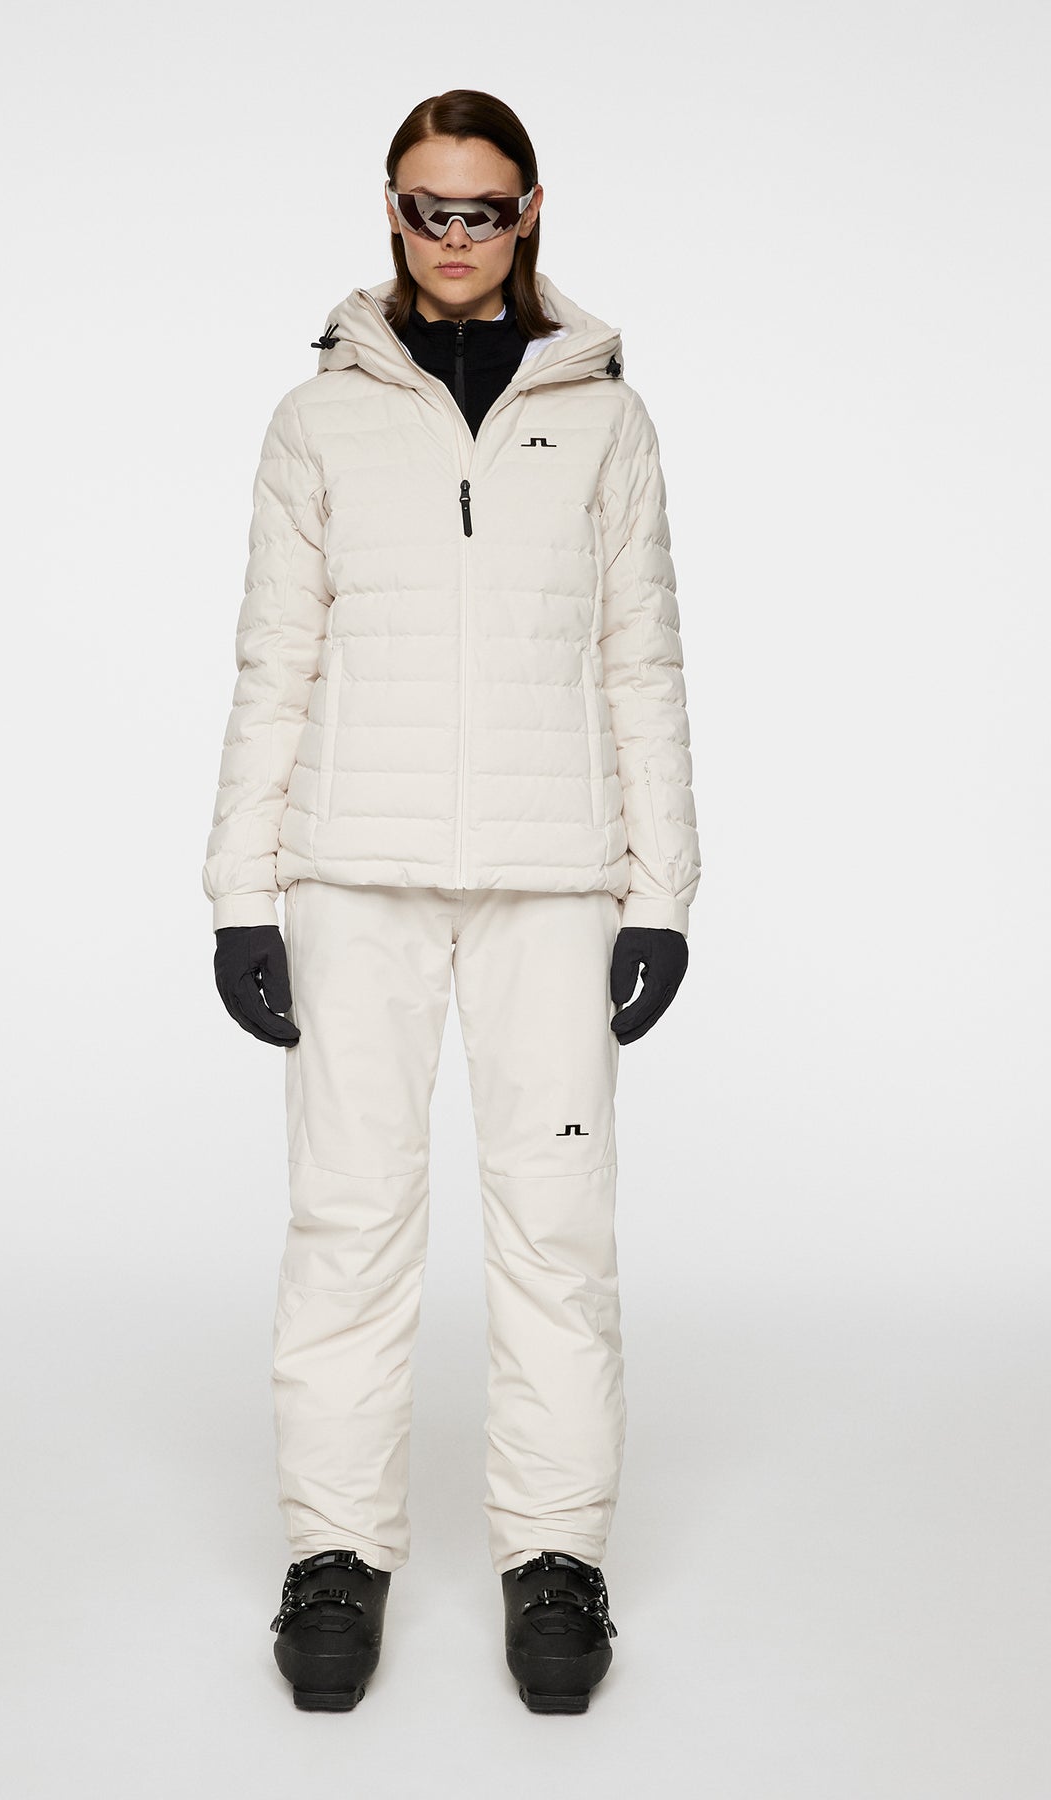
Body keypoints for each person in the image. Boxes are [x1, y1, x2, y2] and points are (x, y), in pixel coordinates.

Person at [202, 89, 701, 1714]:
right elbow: (275, 661)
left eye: (483, 208)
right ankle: (335, 1552)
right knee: (348, 1223)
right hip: (353, 876)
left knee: (557, 1231)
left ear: (529, 210)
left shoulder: (606, 420)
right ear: (393, 210)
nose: (455, 236)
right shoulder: (318, 421)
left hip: (555, 886)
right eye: (429, 207)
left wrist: (662, 893)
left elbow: (642, 662)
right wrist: (242, 894)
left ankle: (555, 1558)